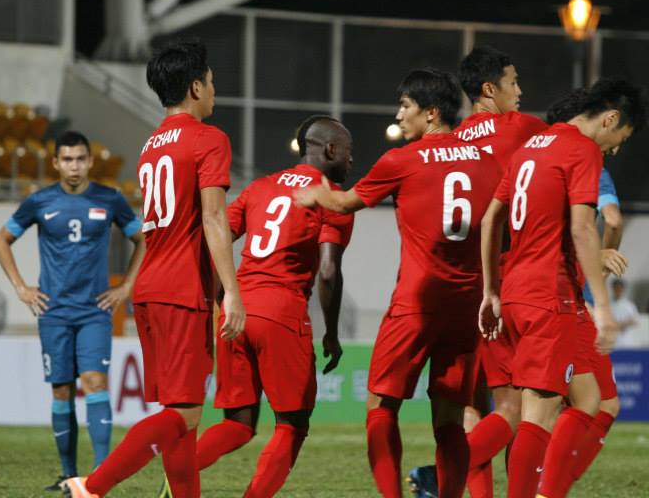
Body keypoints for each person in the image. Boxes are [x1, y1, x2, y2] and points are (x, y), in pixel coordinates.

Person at [294, 68, 501, 498]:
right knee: (450, 420)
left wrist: (313, 188)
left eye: (405, 106)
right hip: (465, 308)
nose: (399, 115)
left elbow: (344, 202)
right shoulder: (487, 161)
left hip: (416, 303)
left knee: (381, 408)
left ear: (430, 113)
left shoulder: (401, 161)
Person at [63, 41, 246, 498]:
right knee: (182, 416)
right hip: (181, 290)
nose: (214, 89)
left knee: (182, 419)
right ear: (195, 86)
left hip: (150, 288)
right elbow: (213, 219)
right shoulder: (209, 138)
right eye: (211, 81)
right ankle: (92, 486)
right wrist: (232, 291)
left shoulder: (151, 145)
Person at [479, 77, 647, 498]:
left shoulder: (530, 147)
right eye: (620, 137)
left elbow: (489, 220)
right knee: (538, 414)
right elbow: (582, 229)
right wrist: (604, 307)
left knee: (591, 399)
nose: (616, 148)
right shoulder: (583, 149)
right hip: (547, 297)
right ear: (609, 118)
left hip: (519, 291)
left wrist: (491, 291)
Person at [188, 115, 354, 498]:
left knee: (238, 423)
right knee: (292, 425)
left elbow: (213, 242)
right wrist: (330, 331)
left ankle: (181, 470)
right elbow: (328, 272)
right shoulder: (333, 197)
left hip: (237, 311)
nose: (350, 161)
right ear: (330, 149)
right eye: (348, 152)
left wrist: (221, 297)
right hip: (282, 313)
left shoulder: (259, 187)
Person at [408, 46, 548, 498]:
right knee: (515, 409)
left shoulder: (456, 139)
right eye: (514, 82)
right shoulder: (525, 128)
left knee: (474, 408)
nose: (520, 91)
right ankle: (436, 474)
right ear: (490, 89)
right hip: (507, 280)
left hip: (457, 281)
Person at [0, 130, 146, 490]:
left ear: (90, 161)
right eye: (67, 159)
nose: (74, 166)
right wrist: (21, 288)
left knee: (95, 383)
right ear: (56, 162)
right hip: (54, 312)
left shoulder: (110, 199)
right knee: (62, 390)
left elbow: (142, 238)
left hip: (94, 310)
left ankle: (101, 476)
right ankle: (67, 473)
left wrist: (126, 286)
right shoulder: (40, 201)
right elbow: (2, 240)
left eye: (80, 159)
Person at [610, 280, 640, 347]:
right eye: (616, 288)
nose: (618, 291)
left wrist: (624, 324)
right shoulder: (608, 305)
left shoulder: (629, 305)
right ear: (613, 289)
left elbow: (636, 320)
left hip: (626, 341)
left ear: (623, 289)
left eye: (620, 289)